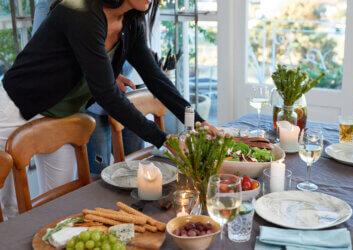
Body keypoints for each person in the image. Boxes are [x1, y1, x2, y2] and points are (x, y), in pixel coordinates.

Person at [0, 0, 217, 219]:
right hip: (15, 106)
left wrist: (197, 121)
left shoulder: (130, 23)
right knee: (11, 209)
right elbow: (107, 94)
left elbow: (156, 79)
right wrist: (164, 139)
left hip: (60, 115)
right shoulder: (81, 11)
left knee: (57, 208)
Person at [32, 0, 145, 176]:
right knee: (98, 176)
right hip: (81, 105)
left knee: (138, 171)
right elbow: (47, 62)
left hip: (120, 92)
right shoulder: (55, 7)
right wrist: (101, 73)